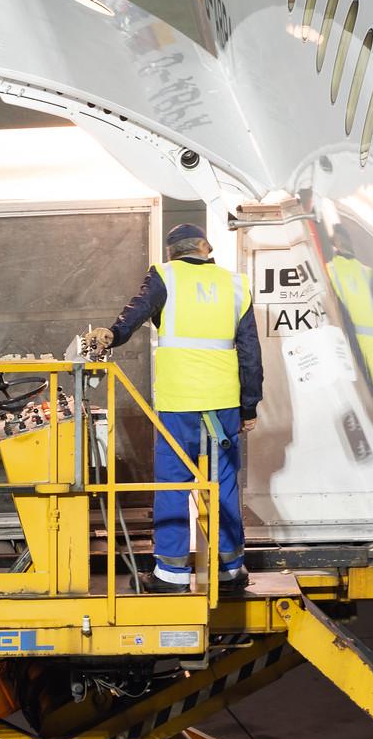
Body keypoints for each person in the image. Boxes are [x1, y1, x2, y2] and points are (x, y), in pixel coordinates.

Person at [84, 223, 261, 591]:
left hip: (179, 403)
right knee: (223, 484)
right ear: (206, 247)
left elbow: (135, 313)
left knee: (173, 483)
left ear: (171, 252)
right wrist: (249, 407)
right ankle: (230, 571)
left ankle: (171, 574)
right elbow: (250, 354)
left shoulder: (164, 276)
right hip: (222, 404)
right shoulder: (236, 285)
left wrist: (112, 335)